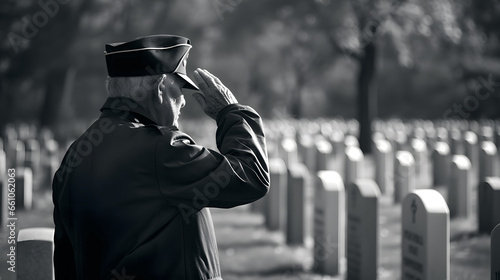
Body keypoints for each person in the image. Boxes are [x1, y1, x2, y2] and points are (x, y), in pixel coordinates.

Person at [52, 34, 269, 280]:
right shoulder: (160, 149)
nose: (184, 101)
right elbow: (252, 176)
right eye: (180, 88)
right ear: (160, 89)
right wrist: (230, 113)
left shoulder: (76, 154)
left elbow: (66, 260)